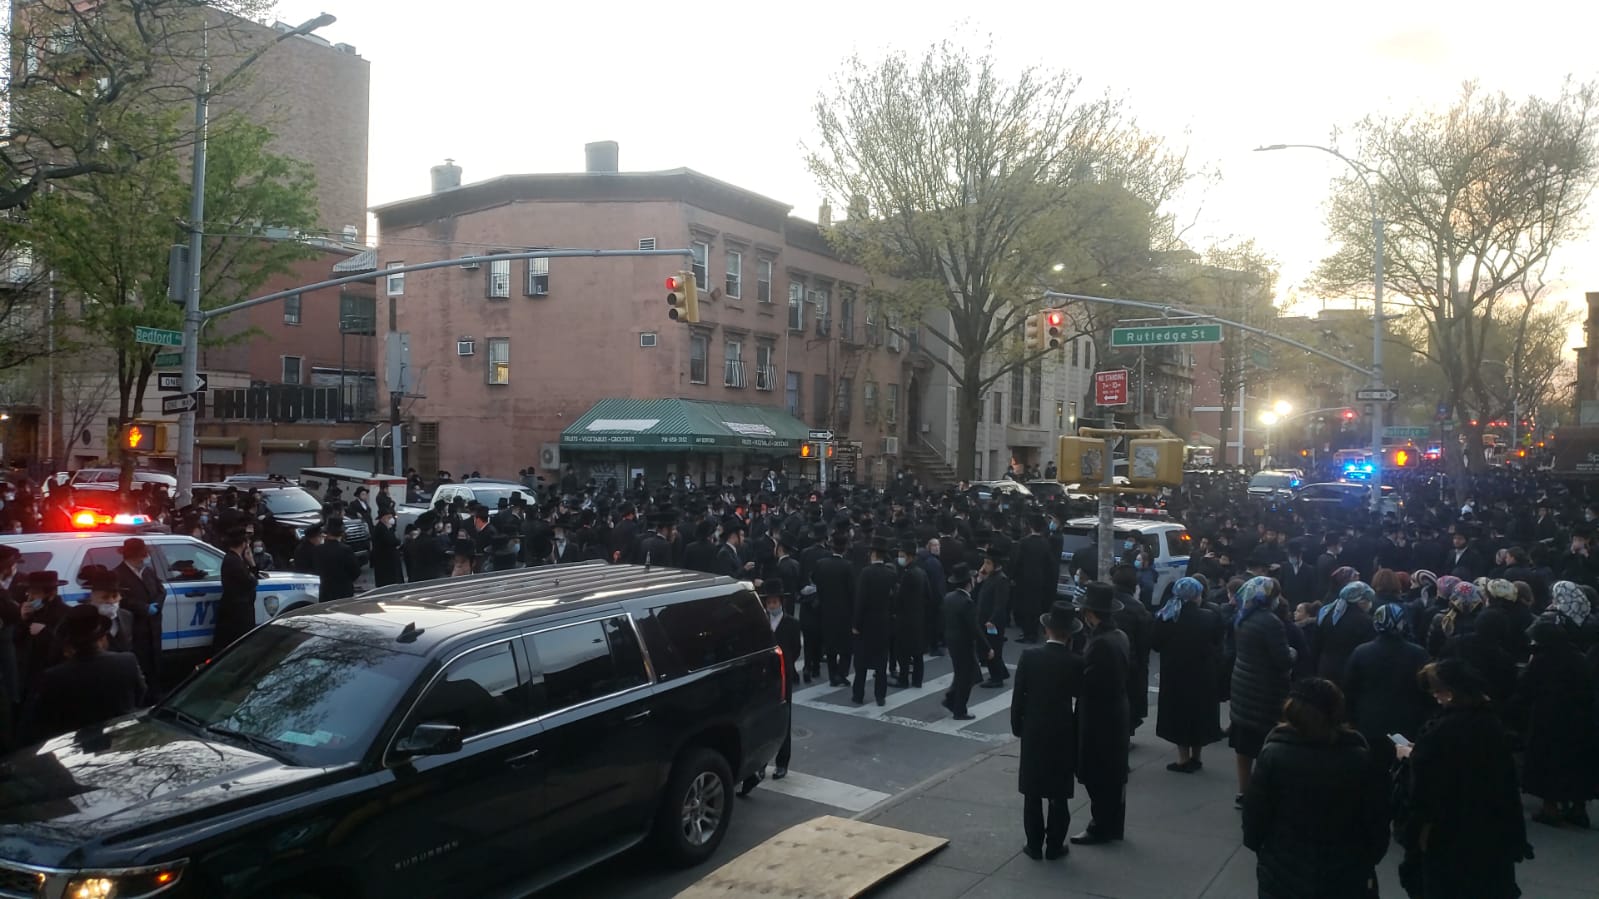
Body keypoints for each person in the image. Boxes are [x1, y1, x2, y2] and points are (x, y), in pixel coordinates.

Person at [1242, 677, 1390, 899]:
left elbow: (1255, 815)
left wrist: (1264, 850)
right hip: (1346, 870)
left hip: (1283, 866)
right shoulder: (1359, 759)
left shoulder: (1273, 755)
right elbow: (1376, 819)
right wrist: (1368, 857)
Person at [1396, 659, 1530, 899]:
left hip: (1448, 831)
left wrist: (1411, 757)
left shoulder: (1440, 731)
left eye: (1438, 691)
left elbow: (1426, 788)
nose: (1435, 697)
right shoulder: (1489, 723)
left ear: (1451, 692)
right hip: (1489, 827)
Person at [1010, 601, 1084, 861]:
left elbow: (1019, 696)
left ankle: (1033, 844)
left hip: (1034, 728)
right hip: (1062, 730)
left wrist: (1018, 726)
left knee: (1032, 791)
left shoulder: (1030, 657)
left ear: (1046, 630)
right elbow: (1080, 696)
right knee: (1058, 792)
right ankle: (1054, 845)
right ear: (1070, 635)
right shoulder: (1076, 662)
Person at [22, 604, 146, 743]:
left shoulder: (54, 676)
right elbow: (140, 693)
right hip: (121, 736)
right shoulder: (127, 661)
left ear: (69, 645)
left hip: (74, 742)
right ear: (102, 638)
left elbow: (41, 719)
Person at [1070, 581, 1130, 846]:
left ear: (1090, 613)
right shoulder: (1119, 636)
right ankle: (1112, 824)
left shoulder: (1101, 643)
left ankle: (1101, 825)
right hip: (1116, 711)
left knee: (1098, 773)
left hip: (1099, 716)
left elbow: (1089, 682)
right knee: (1112, 774)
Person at [1342, 601, 1432, 771]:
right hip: (1409, 722)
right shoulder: (1418, 653)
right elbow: (1428, 690)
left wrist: (1351, 719)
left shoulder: (1361, 652)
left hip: (1370, 722)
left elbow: (1349, 688)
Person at [1228, 575, 1293, 809]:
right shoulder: (1271, 622)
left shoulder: (1243, 617)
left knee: (1244, 747)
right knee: (1267, 746)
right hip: (1266, 692)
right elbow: (1283, 660)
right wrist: (1292, 652)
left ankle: (1243, 792)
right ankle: (1265, 795)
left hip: (1243, 687)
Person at [1152, 576, 1226, 773]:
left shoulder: (1167, 617)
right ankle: (1196, 756)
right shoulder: (1210, 617)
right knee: (1199, 714)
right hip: (1203, 674)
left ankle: (1183, 758)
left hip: (1175, 673)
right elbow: (1218, 643)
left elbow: (1156, 644)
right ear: (1197, 596)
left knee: (1179, 714)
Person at [740, 582, 802, 796]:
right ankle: (761, 764)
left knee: (784, 717)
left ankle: (782, 763)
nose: (771, 605)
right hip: (764, 677)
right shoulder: (761, 622)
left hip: (783, 676)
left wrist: (786, 664)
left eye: (775, 602)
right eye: (769, 602)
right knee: (763, 720)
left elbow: (796, 649)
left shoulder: (791, 623)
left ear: (781, 602)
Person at [114, 536, 165, 694]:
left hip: (153, 627)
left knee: (155, 663)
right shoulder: (118, 574)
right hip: (136, 628)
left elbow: (161, 590)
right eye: (142, 555)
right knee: (141, 663)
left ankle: (156, 693)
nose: (145, 558)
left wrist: (157, 605)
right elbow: (121, 600)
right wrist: (143, 608)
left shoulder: (148, 571)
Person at [852, 536, 897, 706]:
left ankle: (858, 695)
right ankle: (880, 696)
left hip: (866, 623)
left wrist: (856, 624)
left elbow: (860, 600)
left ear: (873, 554)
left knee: (861, 662)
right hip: (883, 622)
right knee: (881, 662)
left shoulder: (866, 573)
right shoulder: (890, 574)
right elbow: (893, 600)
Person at [812, 534, 857, 688]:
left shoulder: (821, 564)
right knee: (845, 646)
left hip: (826, 610)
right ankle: (842, 674)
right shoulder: (848, 566)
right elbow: (852, 591)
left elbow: (815, 582)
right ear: (844, 549)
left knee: (830, 645)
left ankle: (832, 675)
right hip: (844, 612)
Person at [941, 563, 984, 720]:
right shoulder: (966, 602)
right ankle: (959, 709)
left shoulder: (949, 597)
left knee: (963, 673)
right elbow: (974, 627)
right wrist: (987, 647)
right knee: (966, 676)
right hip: (964, 644)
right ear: (968, 582)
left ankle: (951, 699)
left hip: (952, 641)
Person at [892, 539, 929, 688]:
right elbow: (928, 595)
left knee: (903, 651)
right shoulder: (922, 573)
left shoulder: (908, 575)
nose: (900, 558)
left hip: (905, 618)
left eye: (902, 555)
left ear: (909, 556)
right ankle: (917, 680)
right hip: (919, 617)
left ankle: (903, 679)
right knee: (917, 651)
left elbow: (900, 598)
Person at [213, 529, 258, 650]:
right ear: (244, 544)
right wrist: (252, 564)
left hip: (237, 609)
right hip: (237, 612)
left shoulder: (234, 559)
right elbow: (251, 581)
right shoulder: (233, 561)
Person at [976, 545, 1012, 688]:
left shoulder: (1001, 579)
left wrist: (992, 620)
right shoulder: (991, 576)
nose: (985, 566)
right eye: (985, 562)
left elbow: (1000, 604)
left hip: (993, 622)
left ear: (996, 565)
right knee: (988, 648)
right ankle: (1001, 672)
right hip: (984, 619)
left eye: (988, 563)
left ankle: (996, 678)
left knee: (993, 649)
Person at [315, 520, 362, 602]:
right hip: (343, 590)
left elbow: (316, 569)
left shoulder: (318, 549)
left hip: (326, 590)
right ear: (341, 533)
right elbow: (356, 571)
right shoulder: (345, 549)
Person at [371, 507, 404, 586]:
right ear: (383, 518)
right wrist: (398, 541)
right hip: (385, 560)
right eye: (389, 517)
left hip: (389, 558)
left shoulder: (386, 527)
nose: (391, 519)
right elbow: (392, 541)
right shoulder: (381, 528)